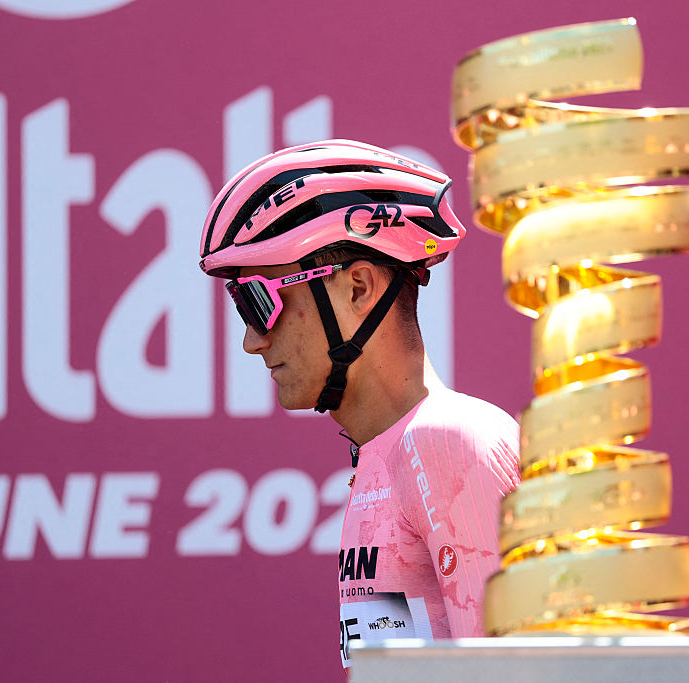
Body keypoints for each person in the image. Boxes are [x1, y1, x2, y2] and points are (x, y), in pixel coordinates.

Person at [198, 139, 521, 672]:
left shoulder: (448, 444)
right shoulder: (384, 457)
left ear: (357, 288)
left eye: (259, 302)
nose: (252, 340)